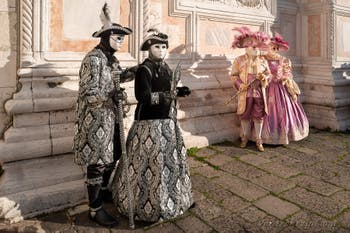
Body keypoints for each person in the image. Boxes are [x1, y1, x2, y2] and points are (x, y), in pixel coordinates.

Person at [111, 29, 194, 223]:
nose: (161, 50)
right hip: (147, 123)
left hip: (166, 120)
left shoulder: (166, 67)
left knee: (169, 161)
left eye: (164, 47)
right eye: (157, 46)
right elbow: (143, 97)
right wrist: (169, 95)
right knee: (148, 162)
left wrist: (180, 91)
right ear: (149, 48)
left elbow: (169, 89)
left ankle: (173, 199)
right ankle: (143, 204)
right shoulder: (144, 69)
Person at [73, 3, 134, 226]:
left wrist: (134, 72)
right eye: (117, 38)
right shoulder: (93, 59)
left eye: (122, 39)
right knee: (97, 162)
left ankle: (104, 190)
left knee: (115, 153)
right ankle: (94, 208)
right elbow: (88, 92)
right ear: (106, 36)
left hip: (112, 118)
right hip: (96, 120)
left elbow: (116, 78)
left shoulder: (112, 59)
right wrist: (111, 95)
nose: (121, 42)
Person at [261, 33, 309, 145]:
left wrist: (284, 78)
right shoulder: (262, 60)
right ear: (267, 47)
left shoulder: (283, 60)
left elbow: (288, 73)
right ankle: (264, 135)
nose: (275, 49)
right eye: (272, 47)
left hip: (281, 88)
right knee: (266, 109)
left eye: (276, 47)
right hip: (267, 88)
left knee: (283, 109)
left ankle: (285, 134)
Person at [230, 26, 271, 152]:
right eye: (252, 46)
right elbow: (233, 75)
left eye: (257, 46)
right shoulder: (239, 60)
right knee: (245, 114)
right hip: (245, 93)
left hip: (259, 92)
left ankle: (258, 140)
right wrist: (240, 84)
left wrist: (264, 77)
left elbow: (269, 74)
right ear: (246, 47)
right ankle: (245, 138)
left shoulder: (263, 61)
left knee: (258, 116)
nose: (255, 48)